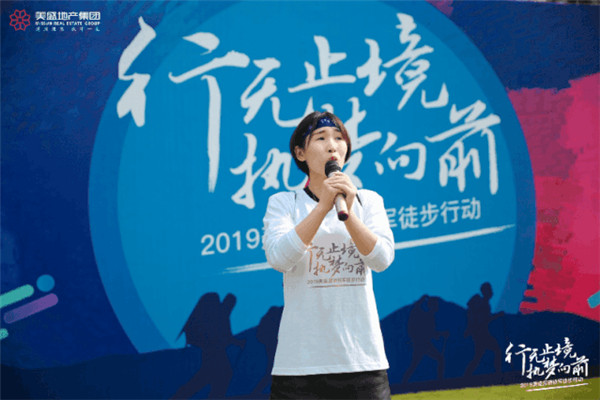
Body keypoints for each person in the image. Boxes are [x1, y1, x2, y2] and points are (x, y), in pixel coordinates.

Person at [262, 111, 395, 399]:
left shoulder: (368, 201)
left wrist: (349, 214)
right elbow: (280, 258)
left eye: (339, 138)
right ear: (300, 152)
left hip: (362, 363)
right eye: (321, 138)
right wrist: (323, 206)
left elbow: (382, 259)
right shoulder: (284, 203)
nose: (332, 146)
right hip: (299, 367)